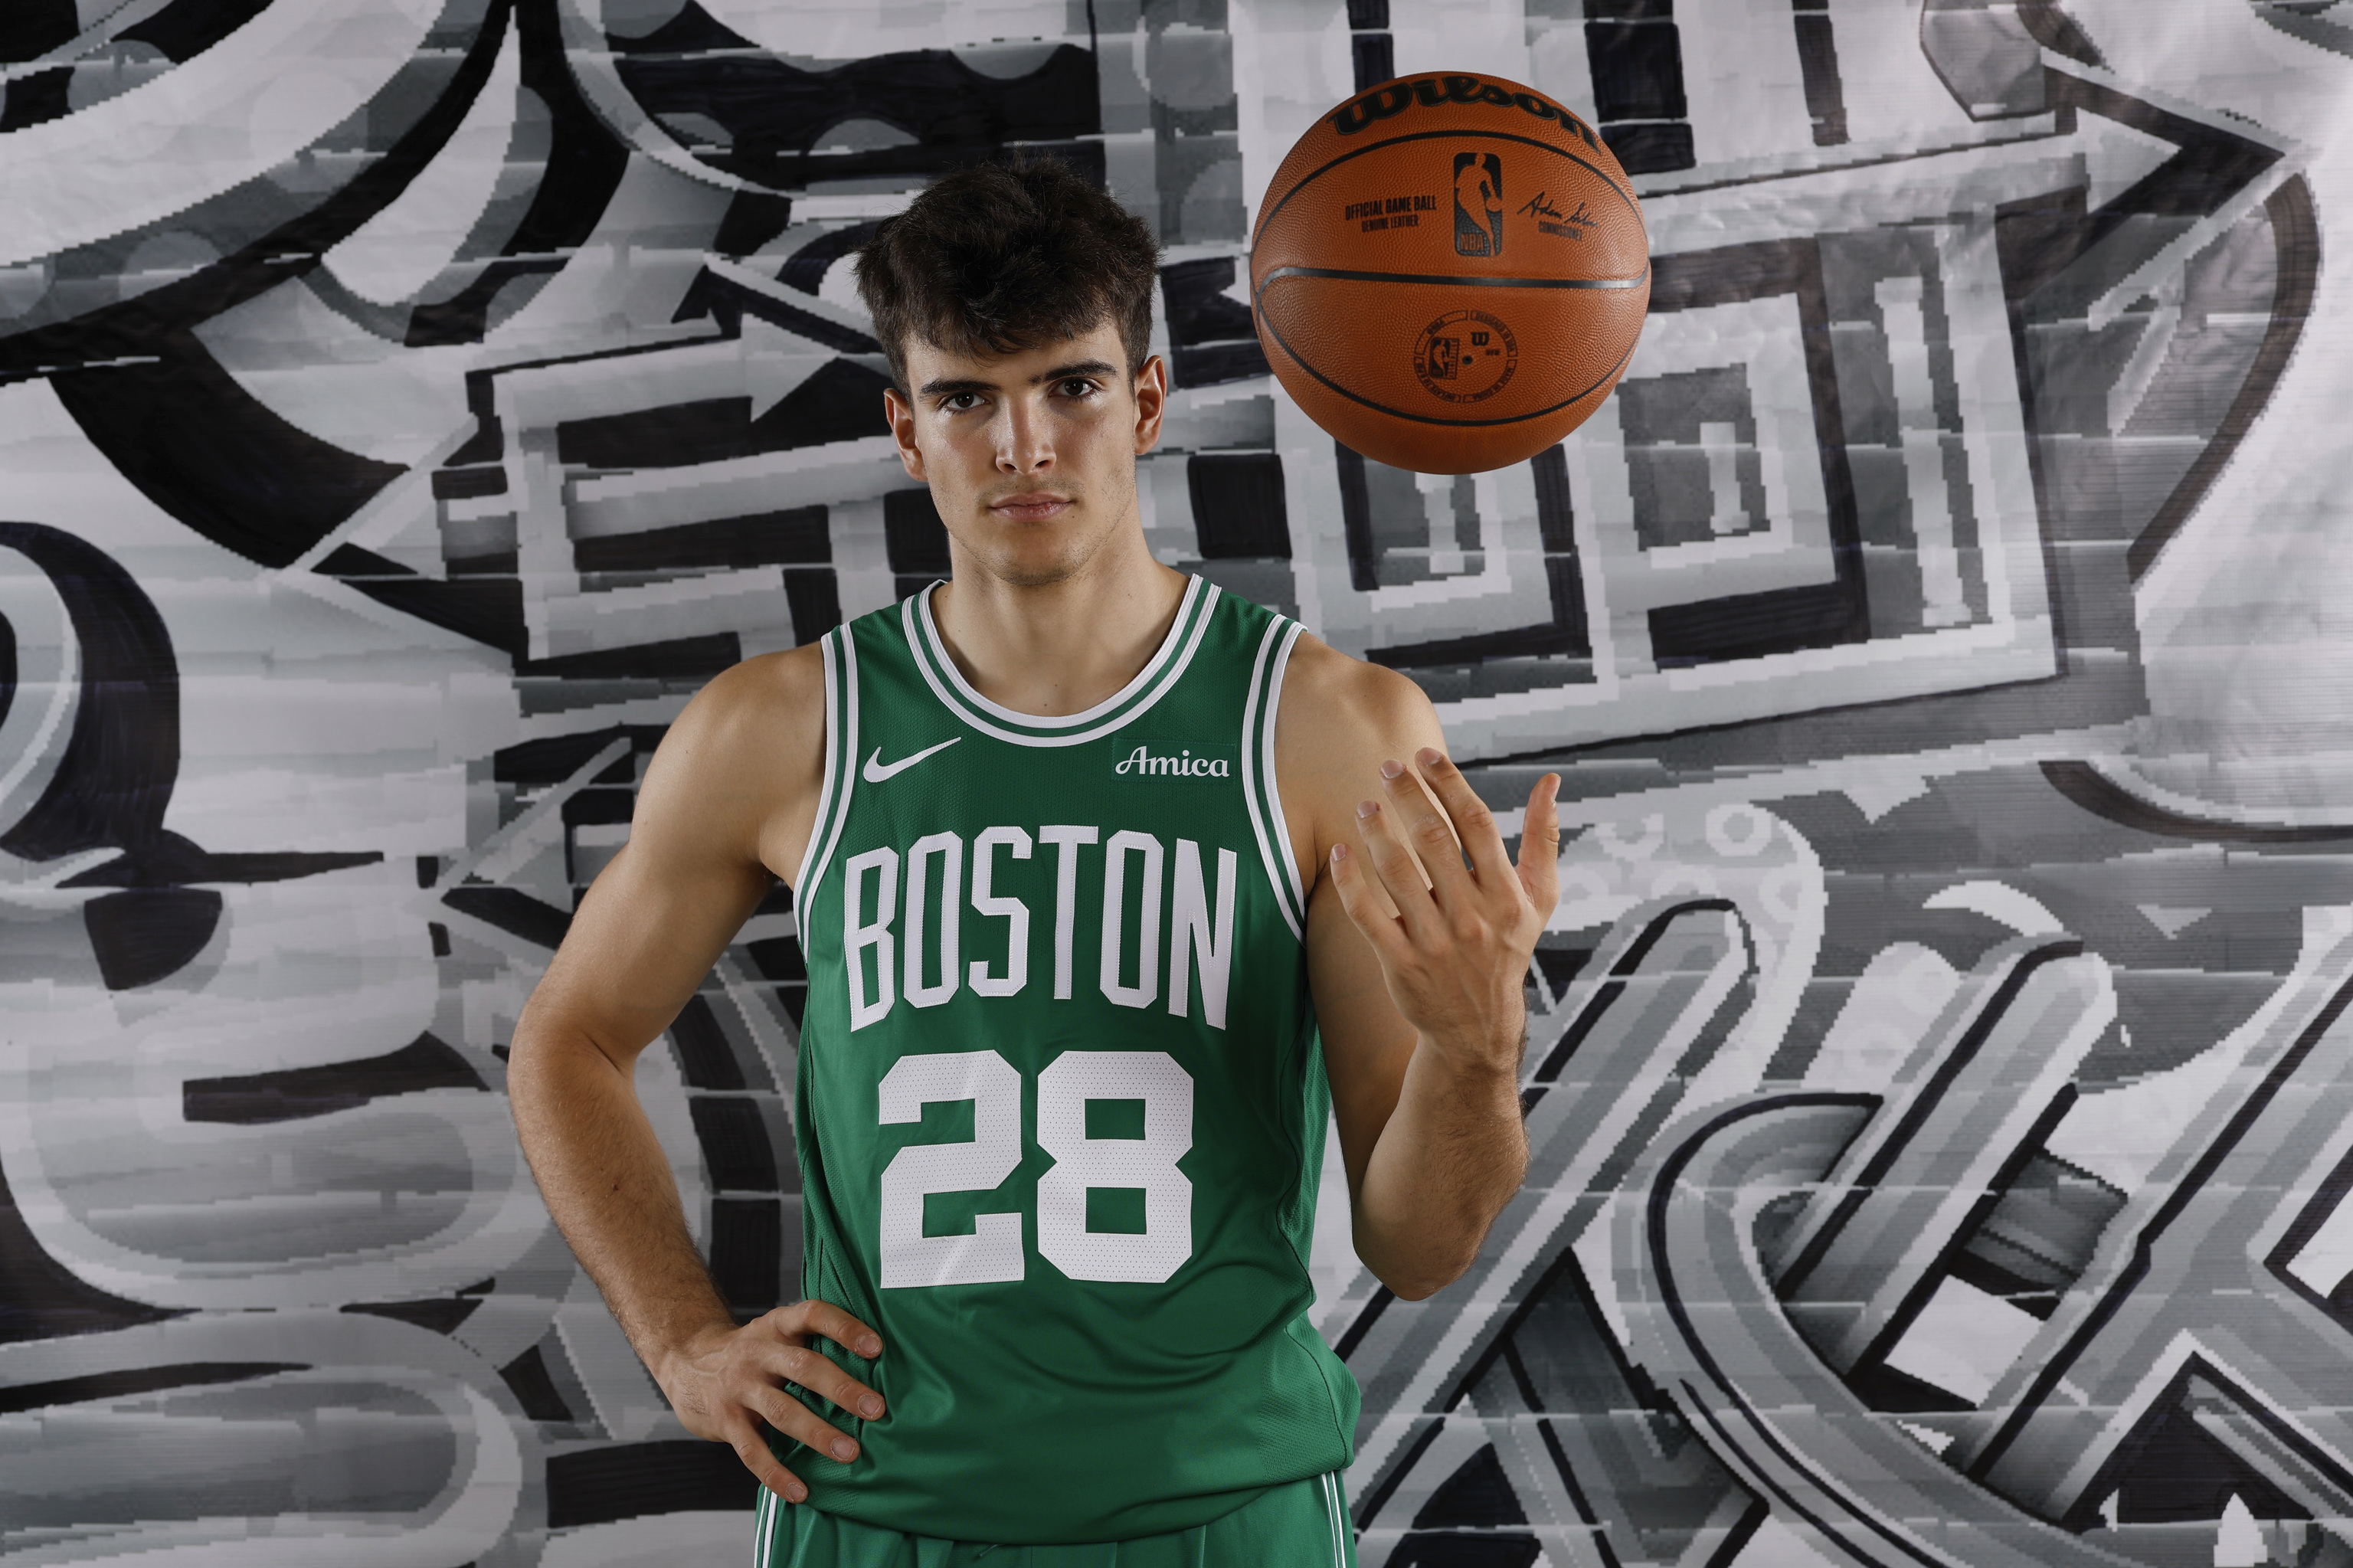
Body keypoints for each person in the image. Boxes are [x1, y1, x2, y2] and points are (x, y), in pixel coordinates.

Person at [507, 157, 1560, 1566]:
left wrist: (1477, 1056)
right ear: (905, 428)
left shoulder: (1324, 729)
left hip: (1220, 1511)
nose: (1023, 446)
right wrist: (684, 1345)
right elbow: (569, 1038)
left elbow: (1418, 1251)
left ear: (1147, 401)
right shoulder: (783, 730)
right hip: (877, 1509)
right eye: (966, 399)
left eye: (1071, 386)